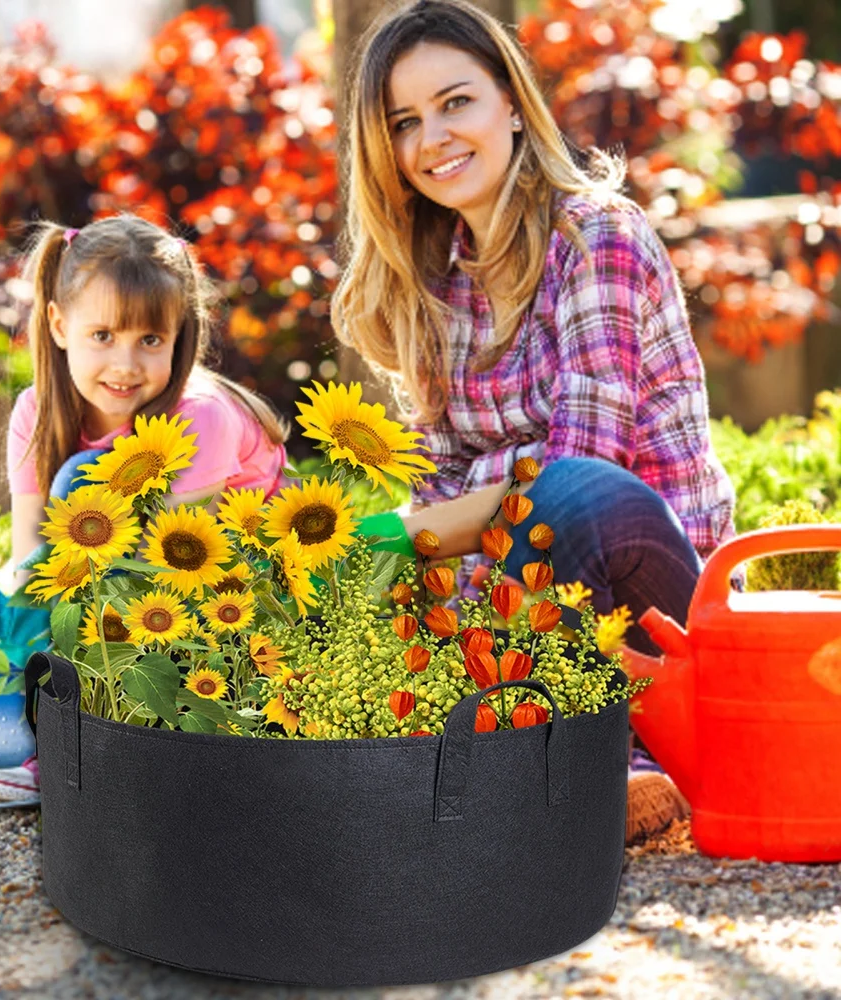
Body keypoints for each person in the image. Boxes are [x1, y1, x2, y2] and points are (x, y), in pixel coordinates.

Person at [340, 0, 736, 840]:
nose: (434, 138)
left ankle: (613, 755)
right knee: (354, 596)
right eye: (405, 122)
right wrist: (388, 562)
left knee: (571, 497)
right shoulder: (434, 285)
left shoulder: (596, 237)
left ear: (513, 104)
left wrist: (412, 533)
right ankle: (514, 754)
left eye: (457, 102)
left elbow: (578, 474)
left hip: (657, 608)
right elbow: (439, 483)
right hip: (522, 593)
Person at [0, 215, 289, 800]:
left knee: (83, 481)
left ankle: (93, 746)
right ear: (59, 323)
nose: (125, 365)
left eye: (150, 340)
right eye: (103, 336)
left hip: (227, 617)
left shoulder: (202, 418)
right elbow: (31, 565)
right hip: (109, 616)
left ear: (180, 336)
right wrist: (1, 619)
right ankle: (79, 737)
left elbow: (171, 580)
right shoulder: (37, 413)